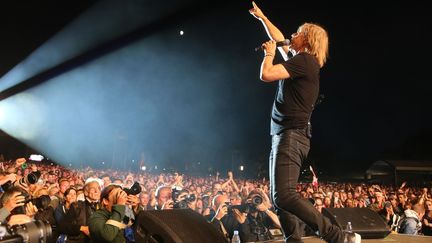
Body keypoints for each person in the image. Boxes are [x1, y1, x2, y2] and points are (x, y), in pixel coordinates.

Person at [249, 2, 358, 243]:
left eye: (297, 33)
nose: (292, 35)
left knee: (284, 195)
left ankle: (336, 236)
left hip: (291, 134)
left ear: (307, 40)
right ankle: (294, 239)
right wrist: (263, 18)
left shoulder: (305, 61)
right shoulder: (302, 61)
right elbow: (279, 39)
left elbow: (266, 74)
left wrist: (268, 53)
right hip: (286, 134)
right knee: (278, 196)